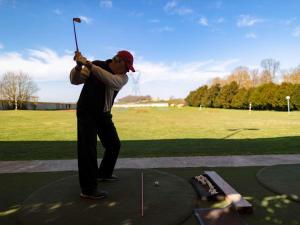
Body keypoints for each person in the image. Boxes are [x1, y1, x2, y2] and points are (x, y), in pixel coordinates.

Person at [70, 50, 135, 200]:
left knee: (114, 144)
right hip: (87, 111)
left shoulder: (122, 77)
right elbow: (76, 80)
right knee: (88, 149)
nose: (127, 71)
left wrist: (89, 64)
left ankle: (104, 174)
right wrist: (79, 67)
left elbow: (111, 81)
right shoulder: (97, 65)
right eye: (127, 66)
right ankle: (88, 190)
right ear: (118, 60)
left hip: (103, 114)